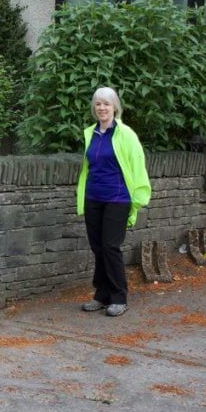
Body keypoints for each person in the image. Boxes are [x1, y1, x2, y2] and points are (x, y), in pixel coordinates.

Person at [76, 87, 151, 317]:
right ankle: (101, 295)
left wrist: (138, 200)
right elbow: (89, 168)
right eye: (98, 104)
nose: (102, 108)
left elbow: (138, 166)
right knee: (98, 248)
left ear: (115, 107)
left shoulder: (126, 134)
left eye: (106, 104)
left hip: (117, 199)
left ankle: (119, 297)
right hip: (93, 197)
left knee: (110, 246)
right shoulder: (91, 133)